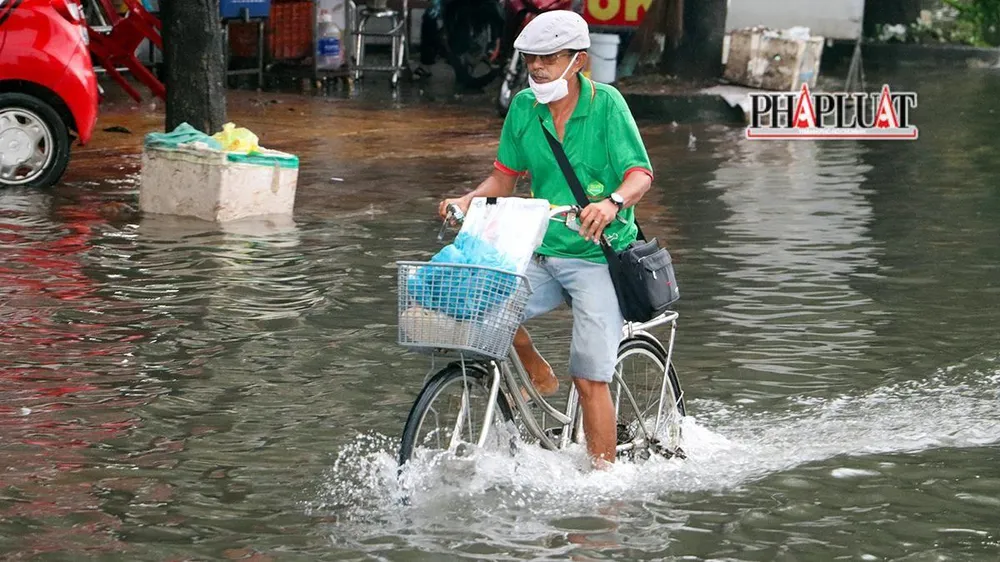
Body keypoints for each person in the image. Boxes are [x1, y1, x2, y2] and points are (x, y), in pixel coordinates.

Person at [438, 10, 654, 468]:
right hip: (541, 248)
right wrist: (467, 199)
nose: (537, 67)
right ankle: (534, 366)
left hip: (599, 256)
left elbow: (640, 174)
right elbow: (502, 179)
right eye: (532, 57)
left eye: (549, 58)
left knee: (590, 377)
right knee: (483, 305)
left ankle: (604, 486)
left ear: (577, 61)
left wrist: (612, 202)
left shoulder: (607, 104)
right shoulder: (523, 108)